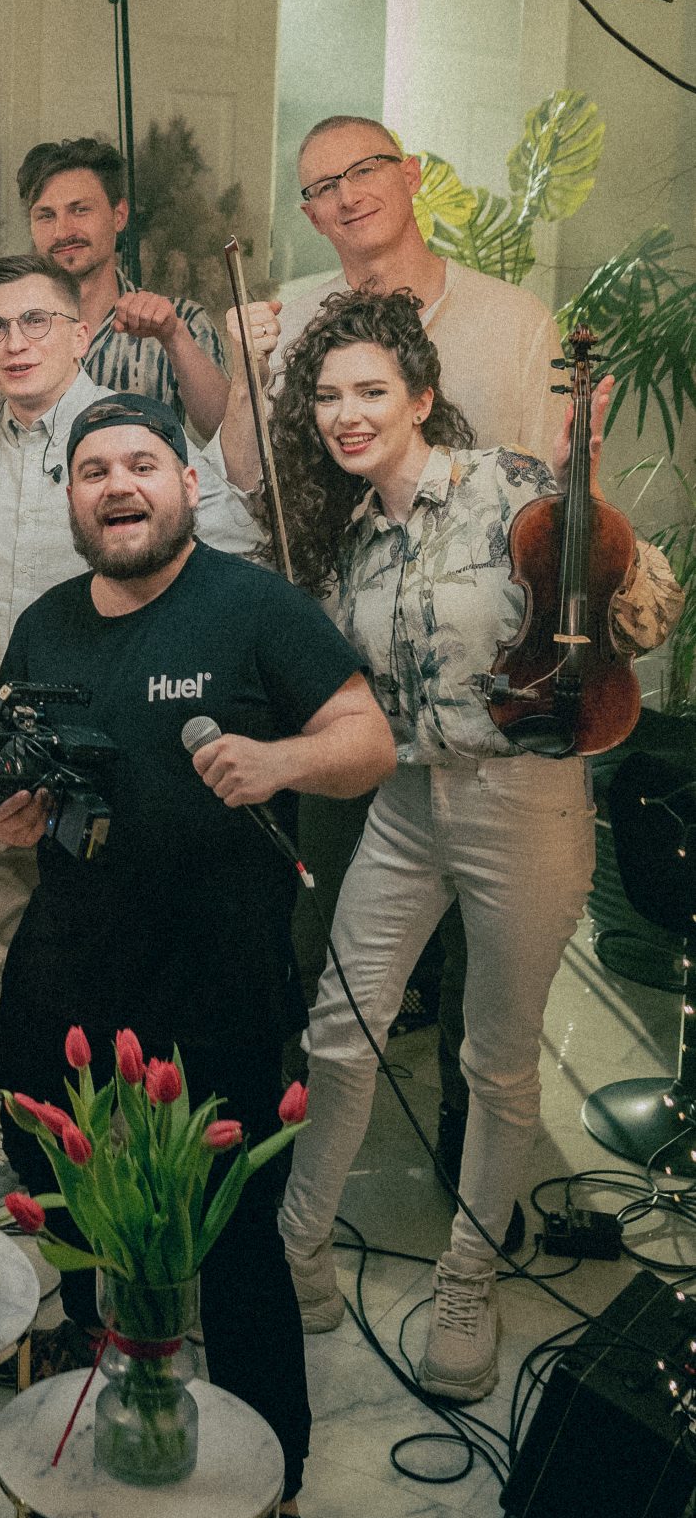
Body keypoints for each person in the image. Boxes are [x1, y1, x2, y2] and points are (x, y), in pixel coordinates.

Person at [0, 391, 394, 1518]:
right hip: (68, 967)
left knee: (235, 1244)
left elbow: (369, 740)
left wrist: (280, 762)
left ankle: (273, 1511)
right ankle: (95, 1353)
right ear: (72, 498)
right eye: (93, 469)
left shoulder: (254, 605)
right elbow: (24, 779)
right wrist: (11, 811)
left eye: (142, 463)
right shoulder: (45, 623)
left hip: (216, 976)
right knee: (55, 1187)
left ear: (186, 484)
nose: (118, 484)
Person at [272, 290, 680, 1400]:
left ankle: (466, 1279)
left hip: (526, 802)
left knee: (495, 1061)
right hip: (408, 803)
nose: (347, 414)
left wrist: (597, 520)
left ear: (420, 397)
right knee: (341, 1029)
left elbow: (644, 621)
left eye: (370, 391)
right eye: (327, 396)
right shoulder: (350, 541)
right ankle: (298, 1248)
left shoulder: (510, 486)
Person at [220, 111, 570, 1210]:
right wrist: (241, 368)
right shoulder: (293, 314)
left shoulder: (512, 321)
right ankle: (294, 1193)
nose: (344, 194)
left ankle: (477, 1190)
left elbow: (550, 515)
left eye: (364, 169)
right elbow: (249, 478)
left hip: (494, 722)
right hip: (354, 684)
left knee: (486, 992)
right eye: (319, 185)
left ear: (409, 175)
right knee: (326, 956)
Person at [0, 252, 258, 1162]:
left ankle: (117, 1167)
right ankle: (28, 1149)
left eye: (35, 321)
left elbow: (230, 531)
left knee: (107, 969)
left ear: (79, 333)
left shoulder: (127, 436)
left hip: (111, 753)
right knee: (5, 956)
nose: (14, 343)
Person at [0, 135, 230, 440]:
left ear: (119, 216)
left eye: (80, 210)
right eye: (46, 215)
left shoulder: (182, 320)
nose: (62, 231)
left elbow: (225, 434)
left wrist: (173, 336)